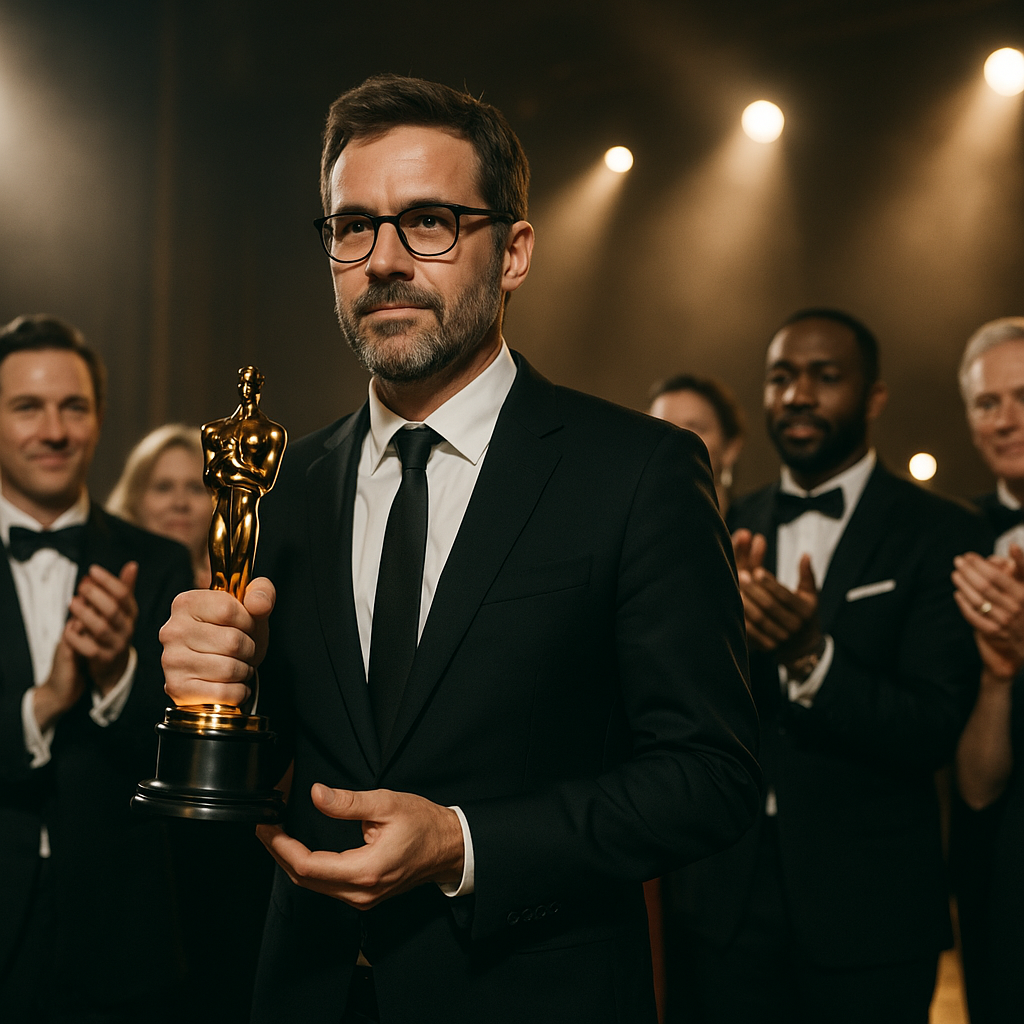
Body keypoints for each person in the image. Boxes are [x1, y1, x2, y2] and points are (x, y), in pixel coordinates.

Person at [159, 74, 761, 1024]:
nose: (383, 261)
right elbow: (283, 768)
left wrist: (464, 843)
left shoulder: (636, 472)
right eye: (351, 227)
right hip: (307, 993)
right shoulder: (288, 484)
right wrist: (213, 692)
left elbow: (711, 778)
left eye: (428, 222)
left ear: (514, 250)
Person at [665, 308, 986, 1024]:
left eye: (824, 377)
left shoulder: (941, 532)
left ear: (873, 397)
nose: (798, 394)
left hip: (869, 911)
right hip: (723, 905)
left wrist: (812, 658)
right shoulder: (721, 525)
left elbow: (934, 724)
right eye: (781, 377)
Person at [0, 314, 194, 1022]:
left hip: (121, 936)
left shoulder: (161, 562)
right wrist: (44, 703)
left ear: (99, 418)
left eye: (73, 407)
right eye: (27, 406)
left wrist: (117, 675)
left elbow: (182, 755)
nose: (53, 430)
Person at [949, 315, 1024, 1023]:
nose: (1006, 420)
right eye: (987, 403)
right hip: (997, 863)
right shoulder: (948, 538)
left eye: (1023, 396)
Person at [107, 422, 213, 588]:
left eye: (196, 488)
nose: (180, 503)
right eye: (163, 487)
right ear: (134, 499)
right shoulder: (106, 578)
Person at [648, 374, 745, 517]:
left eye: (692, 430)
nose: (674, 442)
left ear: (730, 448)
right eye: (662, 429)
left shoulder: (758, 523)